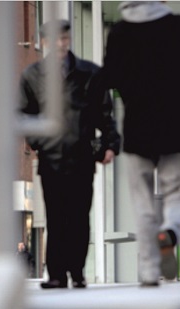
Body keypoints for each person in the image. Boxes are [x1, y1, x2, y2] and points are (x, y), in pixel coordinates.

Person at [95, 1, 180, 287]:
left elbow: (109, 76)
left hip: (138, 130)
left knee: (142, 202)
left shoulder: (121, 33)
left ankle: (148, 272)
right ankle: (170, 231)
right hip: (178, 129)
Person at [23, 20, 120, 289]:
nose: (61, 44)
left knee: (79, 216)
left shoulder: (89, 73)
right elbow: (25, 113)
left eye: (65, 38)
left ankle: (76, 271)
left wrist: (111, 145)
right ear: (44, 42)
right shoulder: (32, 76)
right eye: (55, 39)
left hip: (81, 157)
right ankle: (56, 274)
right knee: (55, 216)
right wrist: (36, 142)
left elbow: (105, 114)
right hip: (51, 158)